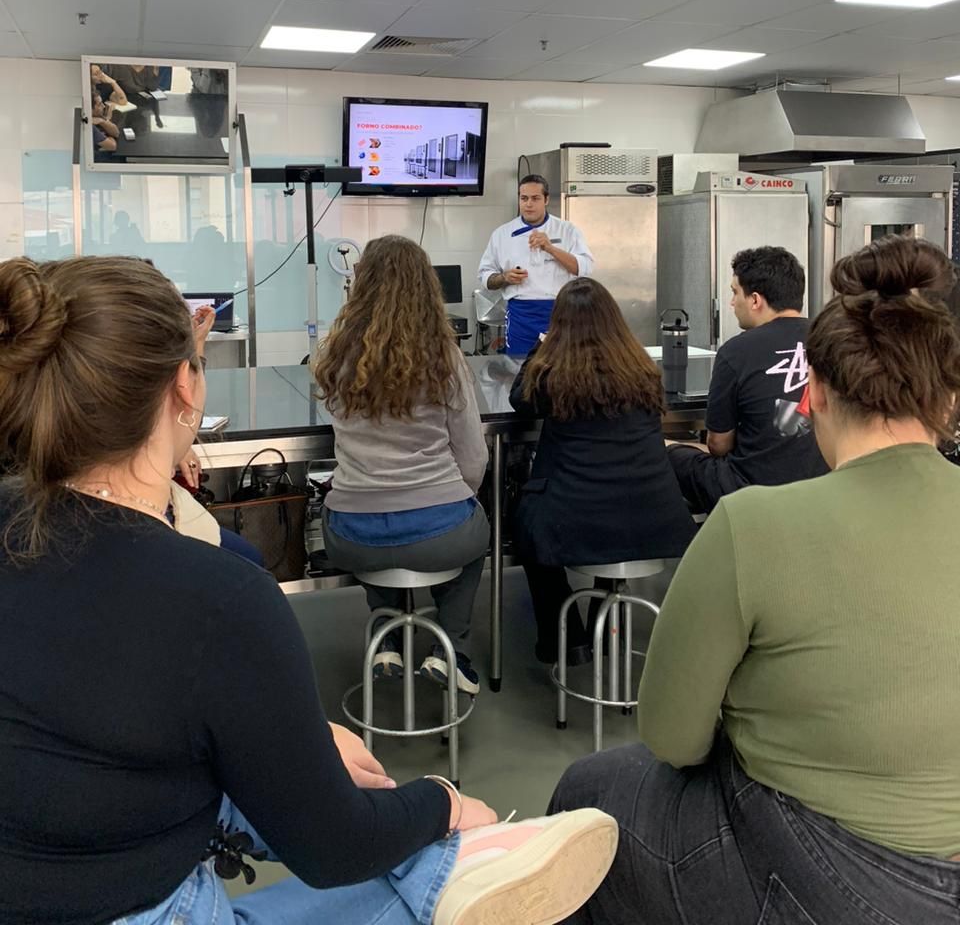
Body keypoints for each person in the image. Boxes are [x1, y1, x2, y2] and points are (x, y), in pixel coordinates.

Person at [0, 254, 618, 925]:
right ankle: (457, 831)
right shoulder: (221, 596)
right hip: (146, 904)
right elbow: (333, 849)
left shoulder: (28, 524)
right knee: (401, 846)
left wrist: (304, 731)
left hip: (352, 537)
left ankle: (444, 827)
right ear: (185, 386)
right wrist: (442, 799)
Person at [548, 234, 960, 925]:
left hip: (825, 868)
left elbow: (673, 739)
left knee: (591, 785)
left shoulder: (751, 525)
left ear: (814, 394)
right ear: (948, 399)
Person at [316, 235, 490, 696]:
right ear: (425, 287)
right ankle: (451, 651)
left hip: (353, 536)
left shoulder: (333, 356)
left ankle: (386, 637)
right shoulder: (445, 359)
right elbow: (474, 458)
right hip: (440, 531)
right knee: (475, 537)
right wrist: (454, 498)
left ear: (361, 283)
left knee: (378, 527)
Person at [508, 278, 696, 663]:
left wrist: (541, 347)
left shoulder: (551, 375)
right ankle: (608, 627)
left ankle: (566, 640)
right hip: (655, 521)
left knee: (527, 527)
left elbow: (517, 400)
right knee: (615, 515)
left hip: (575, 523)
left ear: (560, 325)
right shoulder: (644, 370)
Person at [668, 244, 827, 511]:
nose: (731, 303)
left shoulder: (736, 352)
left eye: (734, 293)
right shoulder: (832, 340)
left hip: (751, 492)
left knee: (667, 450)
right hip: (822, 488)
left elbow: (718, 445)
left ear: (755, 300)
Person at [477, 174, 593, 356]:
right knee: (518, 367)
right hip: (521, 314)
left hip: (561, 311)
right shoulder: (502, 234)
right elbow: (486, 278)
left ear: (546, 199)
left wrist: (550, 248)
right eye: (524, 198)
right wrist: (504, 277)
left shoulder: (567, 230)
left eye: (535, 198)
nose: (528, 204)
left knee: (563, 367)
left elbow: (584, 268)